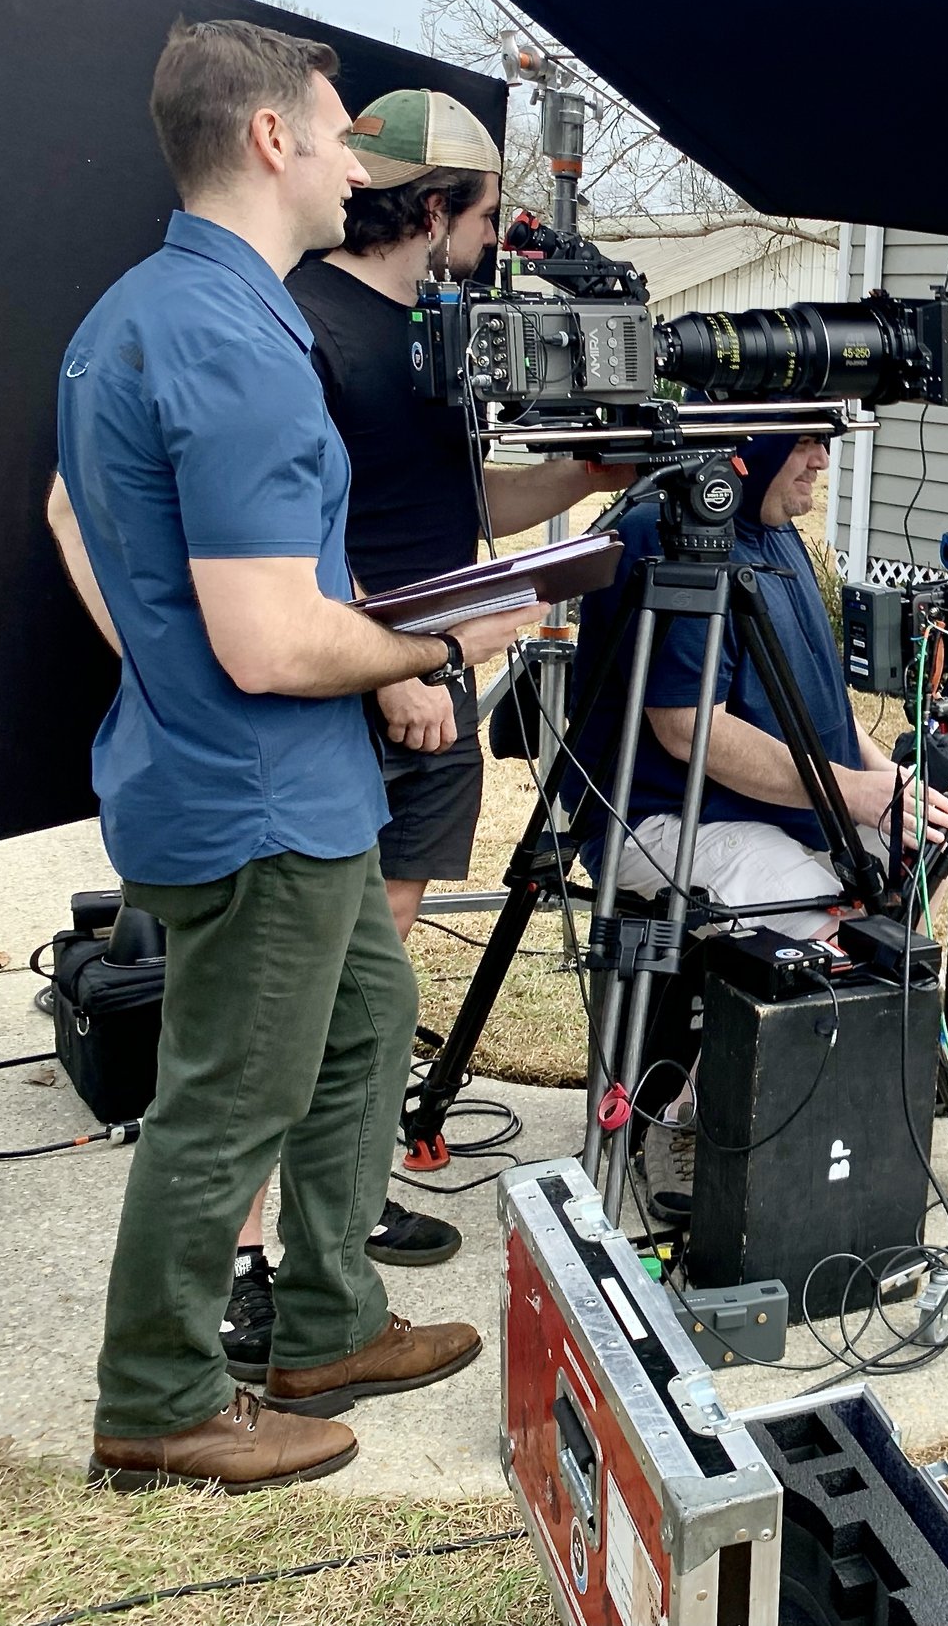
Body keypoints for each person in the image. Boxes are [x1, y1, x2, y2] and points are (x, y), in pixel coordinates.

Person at [49, 20, 538, 1492]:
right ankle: (159, 1394)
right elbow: (269, 640)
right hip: (257, 795)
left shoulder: (150, 310)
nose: (353, 164)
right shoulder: (224, 336)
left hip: (267, 784)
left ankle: (326, 1319)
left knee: (362, 1032)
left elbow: (141, 565)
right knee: (229, 1101)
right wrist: (443, 645)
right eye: (334, 134)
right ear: (270, 141)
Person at [196, 89, 632, 1380]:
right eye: (488, 216)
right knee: (299, 995)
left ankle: (342, 1206)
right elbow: (305, 533)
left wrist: (580, 480)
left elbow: (451, 499)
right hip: (367, 688)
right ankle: (245, 1268)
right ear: (435, 206)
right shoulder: (309, 330)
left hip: (434, 672)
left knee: (374, 978)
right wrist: (393, 674)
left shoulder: (431, 333)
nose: (497, 242)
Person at [579, 433, 948, 934]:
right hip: (661, 817)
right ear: (749, 446)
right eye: (804, 442)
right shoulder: (670, 533)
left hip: (786, 804)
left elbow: (815, 696)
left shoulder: (774, 528)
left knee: (920, 856)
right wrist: (850, 792)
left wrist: (881, 774)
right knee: (835, 944)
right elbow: (687, 729)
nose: (822, 460)